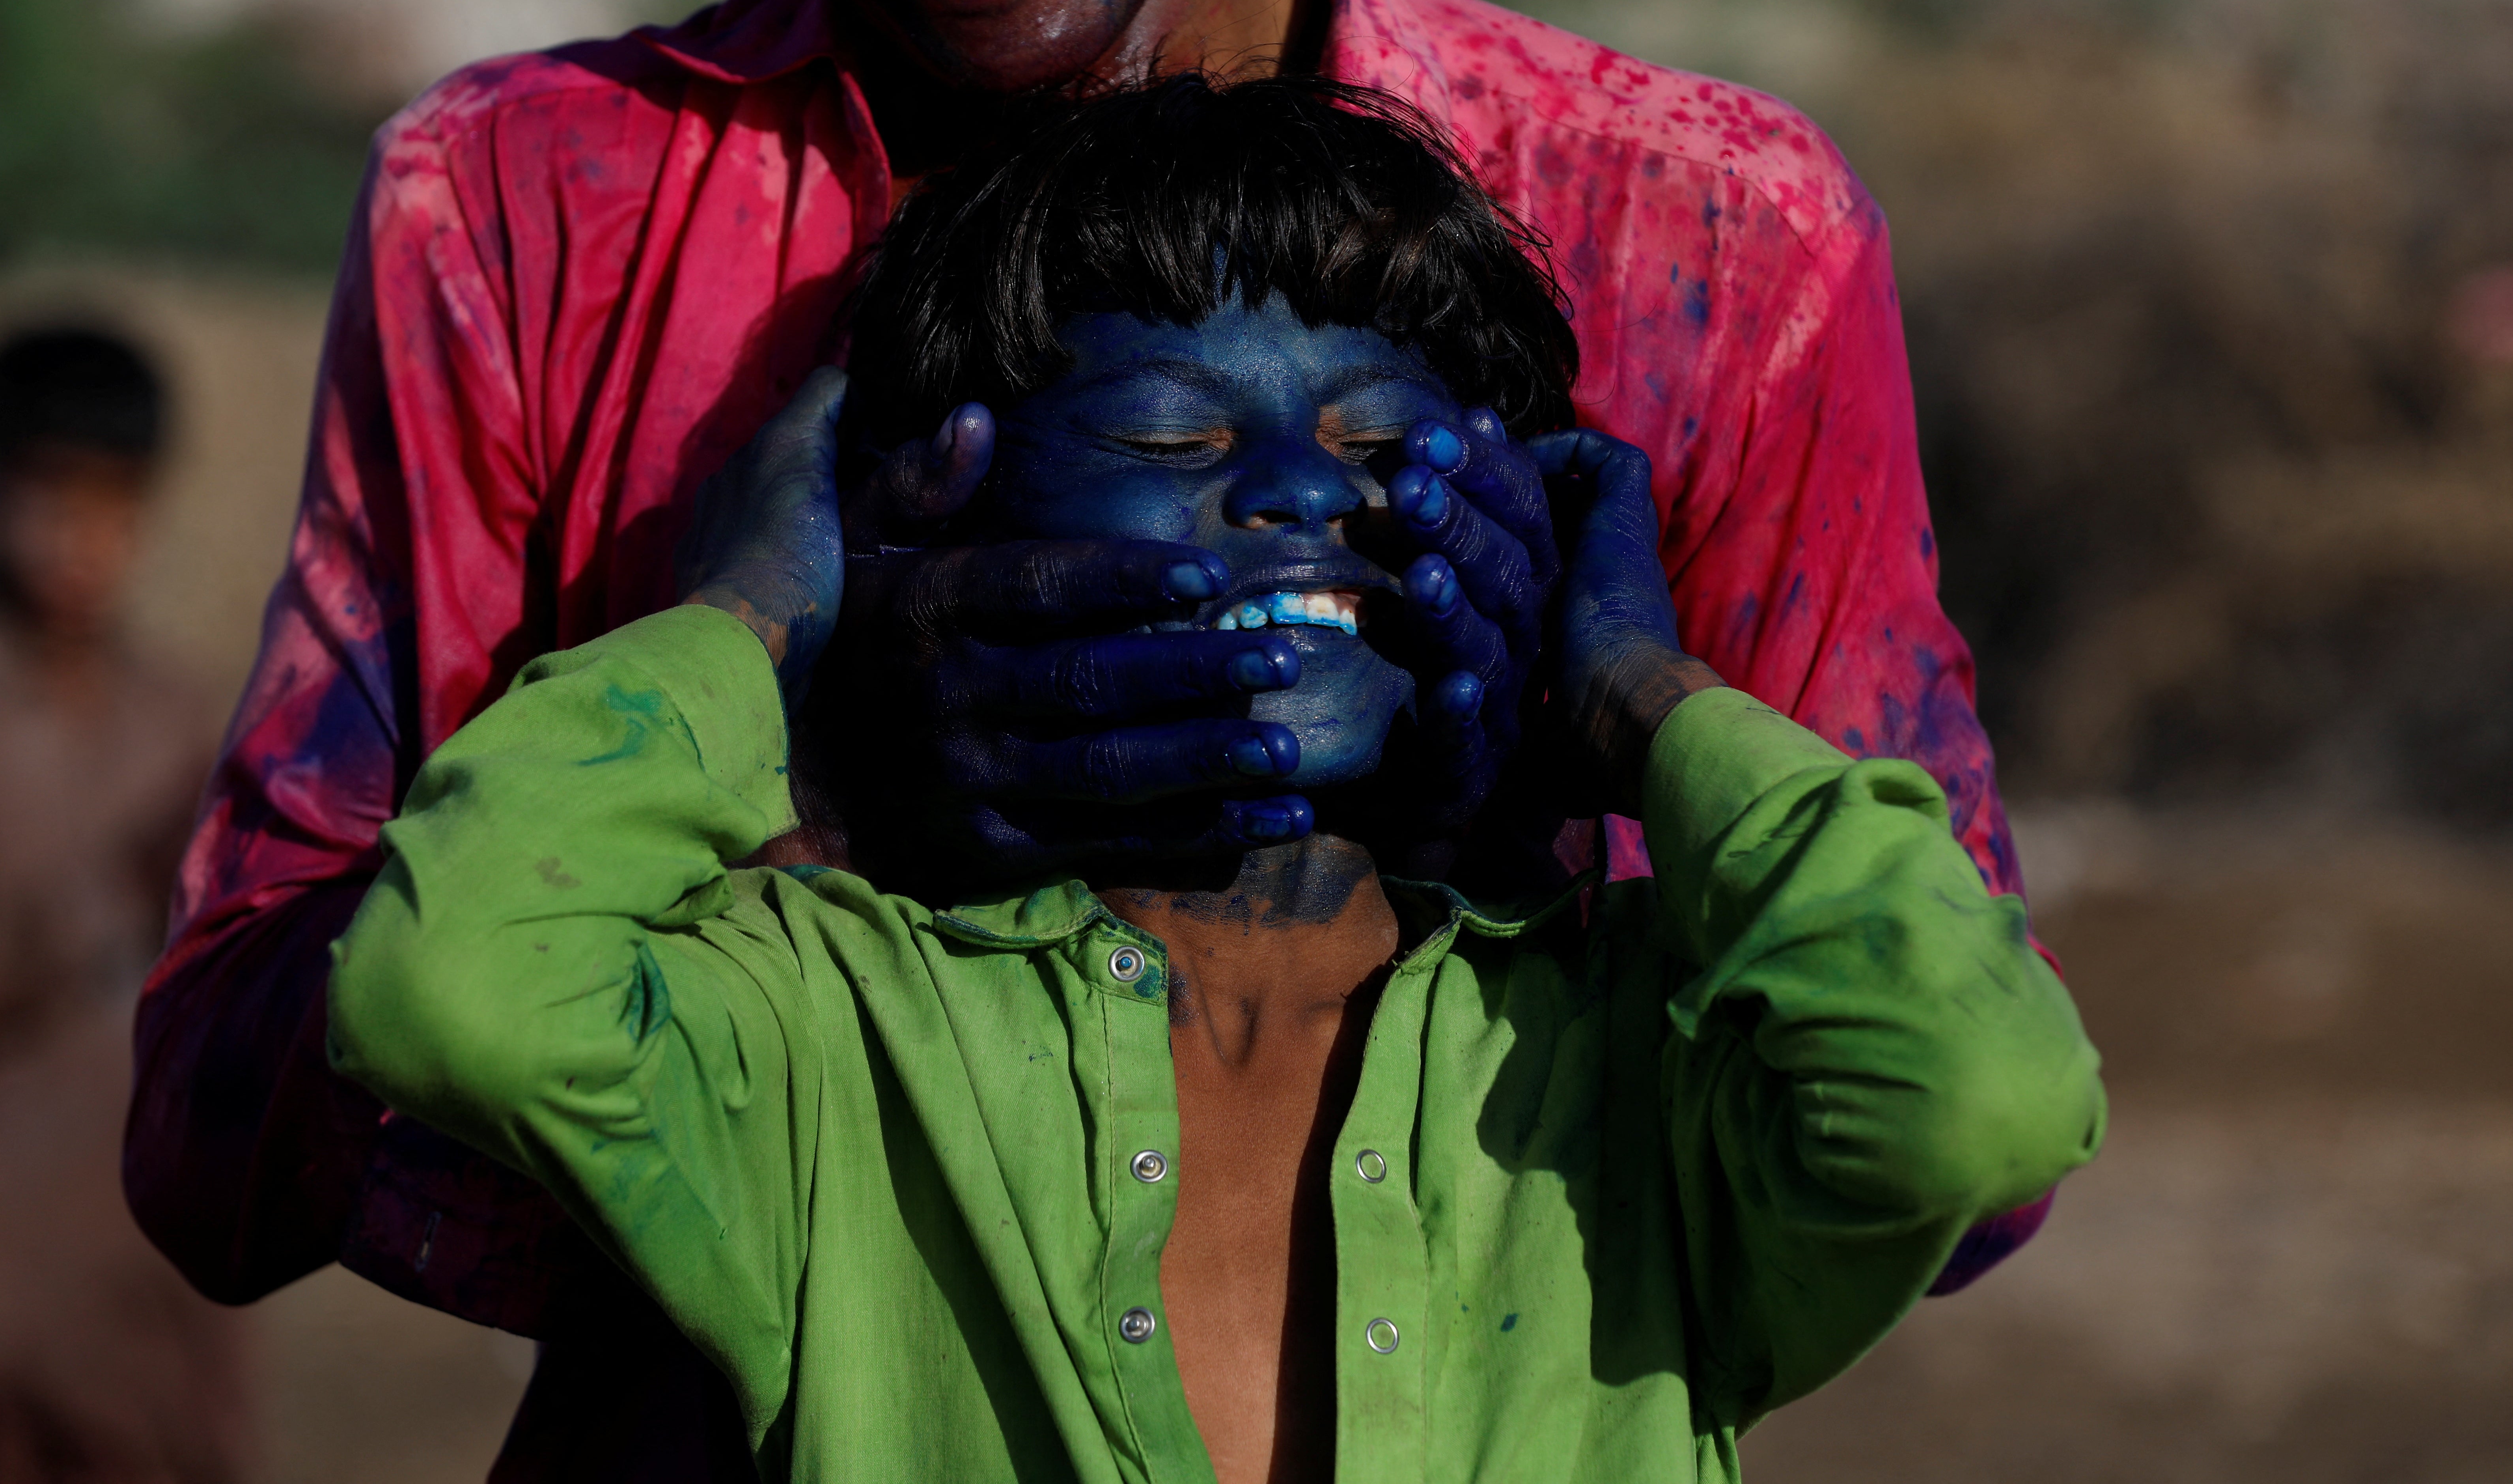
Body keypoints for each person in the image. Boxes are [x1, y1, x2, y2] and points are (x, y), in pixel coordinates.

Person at [128, 0, 2047, 1473]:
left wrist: (1585, 740)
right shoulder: (526, 217)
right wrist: (808, 793)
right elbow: (228, 1143)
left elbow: (1958, 1138)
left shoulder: (1702, 239)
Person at [323, 75, 2103, 1484]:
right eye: (1171, 438)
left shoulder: (1640, 1058)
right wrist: (759, 612)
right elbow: (454, 985)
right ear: (957, 508)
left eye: (1387, 449)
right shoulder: (841, 1046)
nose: (1294, 496)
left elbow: (1979, 1093)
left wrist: (1635, 690)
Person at [0, 325, 249, 1481]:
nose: (85, 540)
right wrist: (93, 903)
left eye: (116, 506)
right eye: (53, 496)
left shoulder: (184, 723)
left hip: (145, 1306)